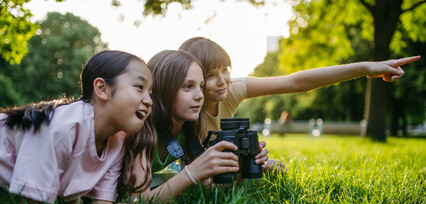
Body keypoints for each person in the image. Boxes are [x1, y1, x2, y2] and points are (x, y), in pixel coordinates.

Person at [178, 37, 421, 171]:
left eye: (226, 70)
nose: (222, 81)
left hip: (217, 169)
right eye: (211, 75)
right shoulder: (178, 104)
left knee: (274, 169)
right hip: (192, 171)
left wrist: (367, 68)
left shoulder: (232, 89)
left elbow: (297, 82)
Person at [0, 50, 153, 204]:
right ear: (102, 89)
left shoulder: (118, 142)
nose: (149, 101)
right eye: (139, 87)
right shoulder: (62, 127)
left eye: (151, 92)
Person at [120, 50, 269, 204]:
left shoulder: (187, 130)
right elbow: (136, 202)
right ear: (163, 89)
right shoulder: (142, 129)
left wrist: (241, 167)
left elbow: (209, 189)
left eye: (201, 86)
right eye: (188, 86)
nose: (200, 96)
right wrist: (191, 173)